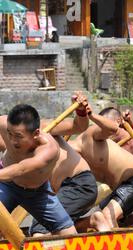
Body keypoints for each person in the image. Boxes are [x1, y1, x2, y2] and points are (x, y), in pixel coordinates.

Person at [29, 94, 109, 236]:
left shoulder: (41, 128)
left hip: (78, 185)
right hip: (64, 190)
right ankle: (92, 221)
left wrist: (80, 111)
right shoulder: (12, 152)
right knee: (54, 225)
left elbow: (78, 126)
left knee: (39, 230)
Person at [0, 105, 77, 236]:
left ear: (36, 133)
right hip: (7, 185)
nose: (12, 140)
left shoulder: (49, 149)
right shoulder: (2, 122)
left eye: (18, 136)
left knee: (70, 236)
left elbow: (21, 168)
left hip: (38, 193)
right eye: (9, 133)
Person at [70, 108, 133, 229]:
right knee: (98, 215)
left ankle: (117, 245)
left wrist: (91, 114)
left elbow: (113, 128)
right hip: (119, 189)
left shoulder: (88, 136)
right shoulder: (74, 165)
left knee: (106, 215)